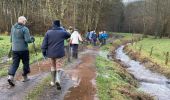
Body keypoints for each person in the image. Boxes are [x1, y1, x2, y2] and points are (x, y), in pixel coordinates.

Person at [41, 20, 70, 89]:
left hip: (51, 53)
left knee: (53, 66)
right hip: (59, 53)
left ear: (53, 25)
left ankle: (52, 82)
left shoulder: (48, 32)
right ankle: (58, 80)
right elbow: (69, 35)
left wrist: (43, 52)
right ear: (60, 25)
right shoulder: (62, 32)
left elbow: (44, 44)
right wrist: (63, 29)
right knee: (59, 66)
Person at [8, 16, 35, 87]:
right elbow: (28, 40)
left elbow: (10, 39)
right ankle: (25, 77)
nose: (25, 23)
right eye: (25, 21)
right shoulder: (25, 29)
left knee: (15, 64)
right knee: (25, 63)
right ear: (23, 21)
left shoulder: (13, 27)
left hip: (15, 50)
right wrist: (32, 39)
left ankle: (10, 77)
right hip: (24, 50)